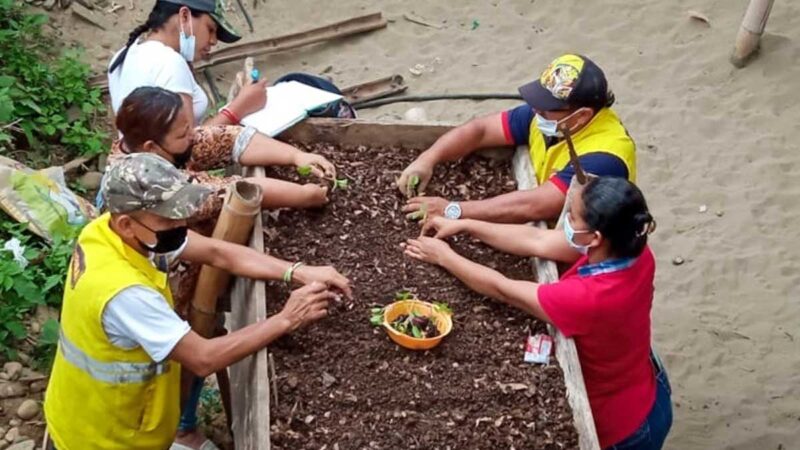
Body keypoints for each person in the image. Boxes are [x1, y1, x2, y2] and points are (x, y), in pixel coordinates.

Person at [44, 153, 349, 450]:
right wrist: (287, 318)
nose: (180, 224)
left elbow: (218, 253)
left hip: (92, 411)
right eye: (168, 219)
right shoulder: (125, 294)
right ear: (126, 224)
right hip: (107, 439)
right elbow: (204, 358)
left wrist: (296, 271)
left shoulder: (108, 233)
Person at [404, 177, 672, 450]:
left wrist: (443, 256)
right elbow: (538, 239)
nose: (566, 217)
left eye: (572, 216)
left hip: (624, 428)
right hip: (648, 386)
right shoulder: (634, 248)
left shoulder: (588, 299)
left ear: (595, 238)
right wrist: (466, 225)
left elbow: (503, 288)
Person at [107, 0, 331, 210]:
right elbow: (227, 187)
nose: (213, 41)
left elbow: (215, 139)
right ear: (184, 15)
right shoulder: (169, 64)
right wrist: (237, 108)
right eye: (211, 29)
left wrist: (296, 157)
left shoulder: (127, 53)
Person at [399, 54, 636, 224]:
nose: (536, 112)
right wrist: (428, 158)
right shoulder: (551, 119)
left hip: (586, 249)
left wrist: (452, 210)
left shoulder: (604, 157)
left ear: (582, 115)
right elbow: (480, 130)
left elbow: (534, 206)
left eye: (547, 108)